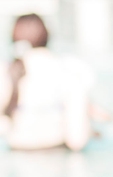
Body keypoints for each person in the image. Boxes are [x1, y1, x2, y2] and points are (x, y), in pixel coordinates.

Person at [1, 13, 99, 152]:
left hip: (16, 153)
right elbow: (77, 140)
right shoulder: (69, 71)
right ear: (47, 36)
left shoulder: (6, 72)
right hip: (57, 158)